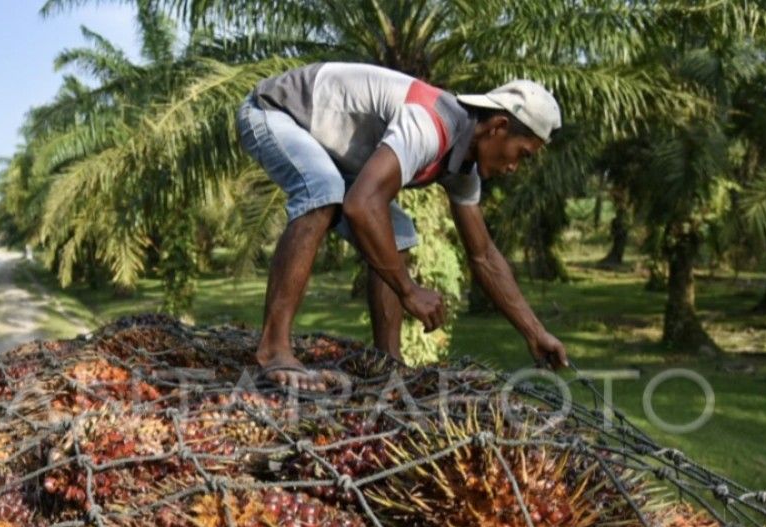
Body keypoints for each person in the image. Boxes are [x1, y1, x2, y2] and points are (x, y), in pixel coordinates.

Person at [236, 62, 569, 390]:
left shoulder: (463, 167)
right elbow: (360, 205)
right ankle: (275, 347)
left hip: (328, 148)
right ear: (497, 127)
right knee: (322, 192)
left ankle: (387, 363)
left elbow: (483, 255)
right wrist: (408, 290)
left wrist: (534, 332)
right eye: (521, 154)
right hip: (273, 112)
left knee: (397, 232)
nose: (514, 167)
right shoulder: (429, 124)